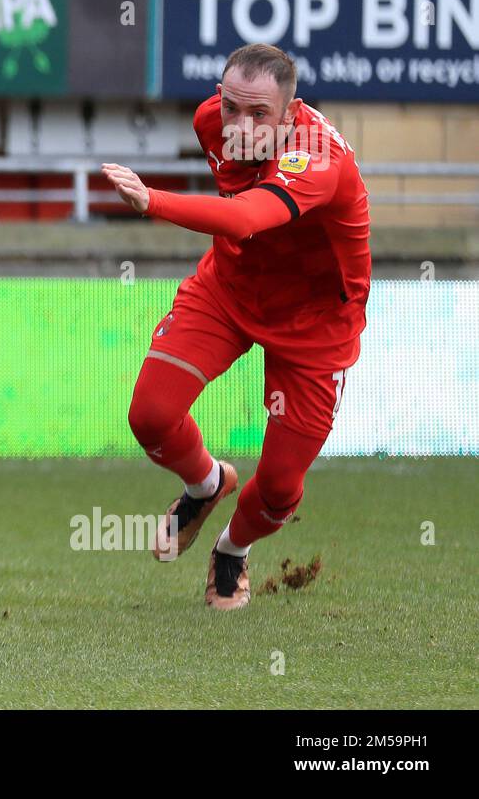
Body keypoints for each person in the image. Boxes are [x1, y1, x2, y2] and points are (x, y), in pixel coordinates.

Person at [102, 43, 370, 610]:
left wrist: (152, 200)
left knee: (278, 489)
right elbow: (237, 223)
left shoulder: (318, 158)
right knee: (150, 415)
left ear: (292, 114)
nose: (240, 127)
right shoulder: (210, 122)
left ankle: (232, 549)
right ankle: (206, 484)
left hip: (314, 326)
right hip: (230, 288)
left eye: (259, 115)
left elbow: (247, 216)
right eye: (231, 108)